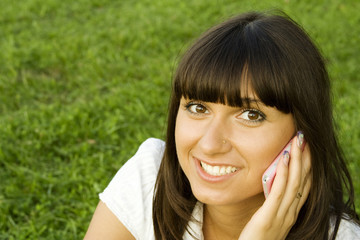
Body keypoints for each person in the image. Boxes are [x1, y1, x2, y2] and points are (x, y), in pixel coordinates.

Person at [84, 11, 360, 240]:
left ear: (303, 134)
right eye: (198, 108)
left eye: (251, 115)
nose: (209, 144)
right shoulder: (149, 180)